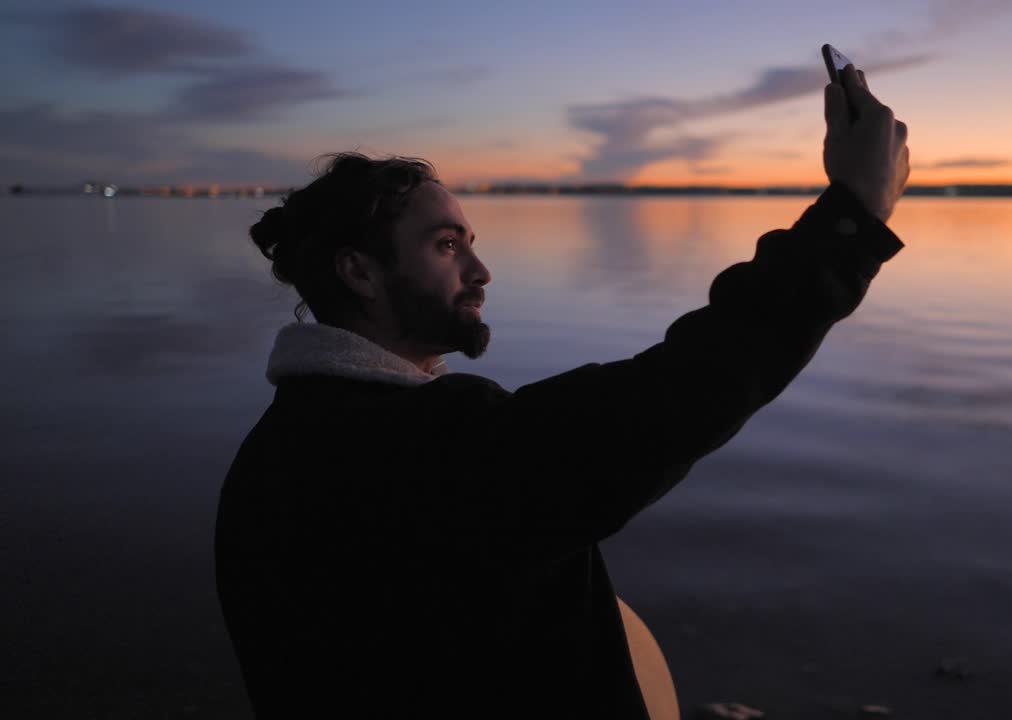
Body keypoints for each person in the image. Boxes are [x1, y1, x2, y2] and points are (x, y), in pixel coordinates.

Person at [216, 63, 909, 718]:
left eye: (470, 242)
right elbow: (674, 398)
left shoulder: (278, 449)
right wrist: (850, 218)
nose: (481, 270)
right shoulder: (412, 448)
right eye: (446, 245)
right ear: (360, 273)